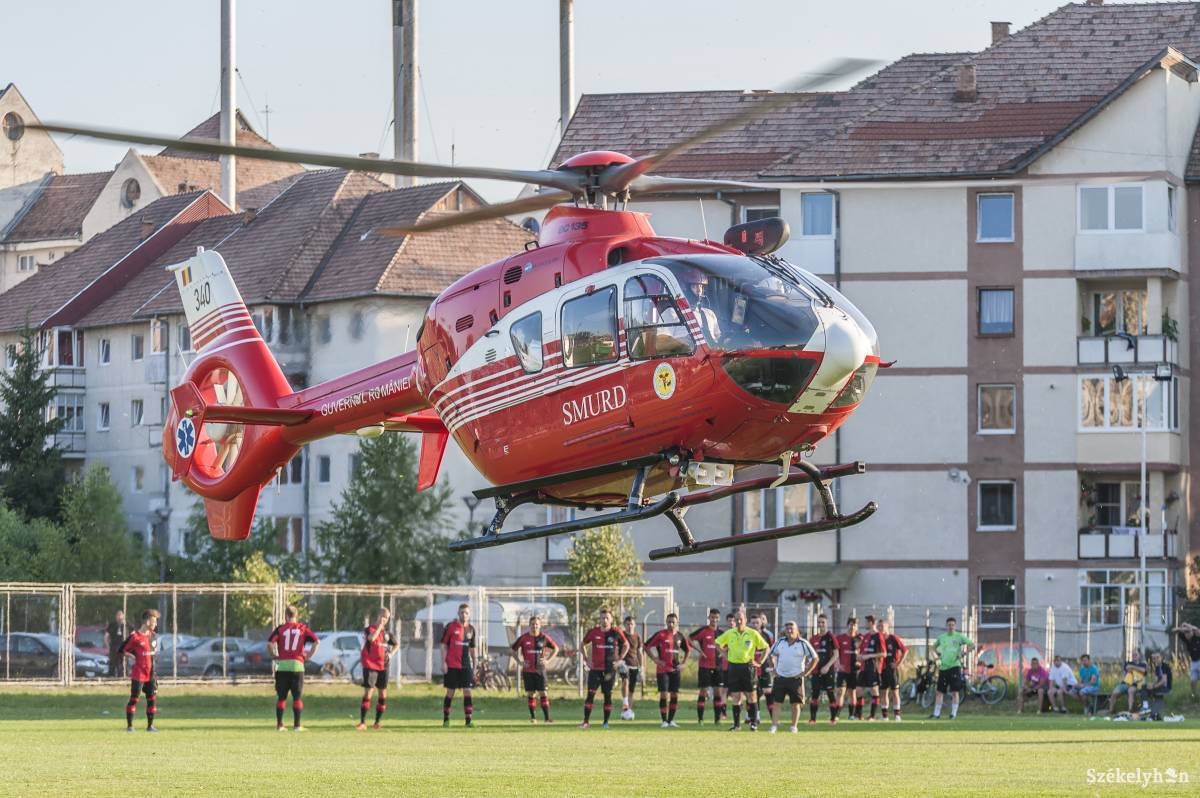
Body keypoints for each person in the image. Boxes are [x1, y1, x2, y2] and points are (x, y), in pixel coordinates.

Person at [267, 605, 320, 731]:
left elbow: (269, 643)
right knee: (297, 697)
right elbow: (317, 642)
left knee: (281, 697)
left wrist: (274, 655)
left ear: (286, 616)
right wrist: (308, 656)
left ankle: (280, 725)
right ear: (296, 615)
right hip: (297, 666)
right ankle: (297, 725)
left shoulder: (280, 629)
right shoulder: (302, 628)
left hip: (283, 666)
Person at [716, 609, 769, 731]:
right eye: (737, 619)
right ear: (734, 621)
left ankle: (754, 722)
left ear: (745, 620)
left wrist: (759, 662)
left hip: (748, 668)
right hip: (734, 667)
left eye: (741, 619)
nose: (739, 621)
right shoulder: (730, 633)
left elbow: (766, 647)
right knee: (736, 697)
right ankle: (736, 725)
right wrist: (724, 654)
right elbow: (717, 643)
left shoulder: (753, 633)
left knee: (752, 696)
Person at [579, 607, 629, 729]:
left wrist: (620, 660)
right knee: (590, 694)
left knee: (607, 695)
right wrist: (586, 659)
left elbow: (626, 645)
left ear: (611, 619)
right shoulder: (593, 632)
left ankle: (605, 723)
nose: (605, 620)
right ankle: (586, 722)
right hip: (595, 670)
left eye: (607, 618)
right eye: (603, 618)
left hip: (609, 671)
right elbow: (582, 644)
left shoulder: (616, 632)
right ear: (600, 619)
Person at [767, 621, 818, 733]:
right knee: (776, 703)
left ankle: (793, 726)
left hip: (796, 679)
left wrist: (806, 672)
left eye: (792, 628)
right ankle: (774, 726)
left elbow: (815, 658)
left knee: (795, 704)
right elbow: (770, 655)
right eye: (787, 628)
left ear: (797, 630)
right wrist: (773, 669)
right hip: (780, 678)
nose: (789, 630)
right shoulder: (780, 642)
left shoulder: (803, 643)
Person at [644, 613, 691, 728]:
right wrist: (655, 659)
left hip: (675, 669)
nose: (671, 624)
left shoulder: (680, 636)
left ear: (677, 623)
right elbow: (646, 646)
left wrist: (683, 663)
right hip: (663, 670)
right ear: (666, 622)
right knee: (664, 694)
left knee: (674, 694)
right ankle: (664, 720)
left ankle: (671, 720)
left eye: (673, 622)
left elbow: (688, 650)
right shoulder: (661, 634)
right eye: (669, 621)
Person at [511, 616, 559, 723]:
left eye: (537, 624)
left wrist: (548, 660)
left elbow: (556, 648)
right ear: (529, 625)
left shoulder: (544, 637)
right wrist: (520, 662)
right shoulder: (524, 638)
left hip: (540, 670)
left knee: (543, 693)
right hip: (528, 671)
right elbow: (512, 650)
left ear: (540, 625)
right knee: (531, 694)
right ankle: (533, 718)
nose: (535, 626)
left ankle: (547, 718)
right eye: (533, 624)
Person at [119, 609, 159, 732]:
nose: (155, 624)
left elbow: (152, 653)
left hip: (151, 674)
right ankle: (130, 726)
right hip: (139, 674)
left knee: (151, 699)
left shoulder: (153, 636)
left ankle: (150, 726)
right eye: (154, 621)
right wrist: (133, 656)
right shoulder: (135, 636)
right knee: (134, 699)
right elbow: (122, 650)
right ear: (147, 621)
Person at [357, 607, 398, 730]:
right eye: (383, 617)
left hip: (384, 666)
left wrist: (391, 654)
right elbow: (371, 638)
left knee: (383, 693)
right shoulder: (369, 629)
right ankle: (363, 722)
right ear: (379, 616)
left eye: (387, 618)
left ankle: (377, 722)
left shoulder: (387, 634)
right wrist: (379, 627)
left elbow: (397, 644)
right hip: (370, 665)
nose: (385, 620)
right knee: (368, 692)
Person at [440, 603, 477, 727]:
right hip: (451, 665)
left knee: (468, 691)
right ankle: (446, 719)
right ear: (458, 613)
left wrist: (475, 665)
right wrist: (443, 662)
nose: (464, 614)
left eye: (466, 612)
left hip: (466, 666)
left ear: (469, 614)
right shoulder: (450, 627)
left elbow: (472, 649)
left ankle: (468, 721)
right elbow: (443, 645)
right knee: (450, 692)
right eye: (462, 612)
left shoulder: (471, 629)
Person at [929, 616, 973, 720]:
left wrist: (964, 653)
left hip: (954, 666)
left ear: (955, 626)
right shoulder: (942, 637)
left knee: (954, 691)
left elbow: (972, 645)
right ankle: (936, 714)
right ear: (946, 626)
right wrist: (936, 657)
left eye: (953, 625)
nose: (951, 627)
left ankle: (953, 714)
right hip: (943, 667)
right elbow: (932, 647)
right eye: (949, 625)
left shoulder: (959, 636)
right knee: (939, 692)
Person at [689, 608, 726, 724]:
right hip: (704, 666)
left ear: (719, 619)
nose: (714, 619)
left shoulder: (722, 633)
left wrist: (723, 652)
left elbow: (731, 643)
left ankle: (717, 719)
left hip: (718, 667)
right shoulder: (703, 631)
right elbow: (689, 639)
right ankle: (700, 719)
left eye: (716, 618)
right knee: (703, 692)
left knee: (718, 693)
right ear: (709, 618)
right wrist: (699, 651)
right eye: (712, 617)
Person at [808, 613, 840, 725]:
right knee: (814, 695)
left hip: (828, 671)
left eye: (823, 622)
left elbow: (836, 654)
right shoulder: (813, 638)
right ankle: (812, 719)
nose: (821, 624)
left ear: (827, 624)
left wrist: (827, 666)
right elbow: (810, 655)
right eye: (819, 622)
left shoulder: (831, 637)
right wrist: (809, 668)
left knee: (831, 694)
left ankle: (833, 719)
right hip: (816, 671)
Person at [878, 619, 907, 721]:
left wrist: (898, 663)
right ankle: (885, 716)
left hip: (892, 670)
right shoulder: (878, 639)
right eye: (879, 626)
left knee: (895, 692)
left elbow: (905, 651)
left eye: (882, 626)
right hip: (882, 670)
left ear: (887, 627)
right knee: (883, 692)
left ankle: (897, 715)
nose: (880, 628)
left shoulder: (893, 638)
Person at [857, 620, 885, 720]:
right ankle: (859, 715)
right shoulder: (866, 636)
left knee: (874, 691)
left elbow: (883, 654)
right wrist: (859, 657)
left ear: (871, 623)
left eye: (866, 622)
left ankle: (872, 716)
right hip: (863, 668)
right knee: (859, 690)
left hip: (873, 668)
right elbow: (861, 652)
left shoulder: (879, 636)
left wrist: (870, 656)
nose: (864, 624)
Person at [750, 612, 775, 722]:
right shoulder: (748, 634)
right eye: (753, 623)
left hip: (764, 666)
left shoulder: (767, 635)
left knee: (768, 692)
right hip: (752, 667)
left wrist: (772, 663)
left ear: (761, 623)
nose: (755, 625)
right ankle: (756, 717)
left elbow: (772, 650)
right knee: (754, 692)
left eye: (757, 622)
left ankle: (773, 718)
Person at [835, 617, 862, 720]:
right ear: (847, 625)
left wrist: (861, 662)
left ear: (857, 626)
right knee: (840, 691)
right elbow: (835, 653)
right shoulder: (841, 638)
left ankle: (851, 715)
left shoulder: (860, 639)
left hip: (854, 670)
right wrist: (837, 663)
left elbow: (864, 653)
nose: (852, 626)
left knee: (852, 692)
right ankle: (837, 715)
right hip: (843, 670)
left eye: (855, 624)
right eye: (851, 624)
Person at [1106, 650, 1147, 716]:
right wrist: (1137, 669)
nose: (1134, 656)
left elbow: (1143, 670)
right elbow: (1128, 668)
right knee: (1115, 692)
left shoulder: (1143, 664)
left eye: (1136, 655)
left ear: (1139, 656)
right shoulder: (1128, 663)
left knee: (1131, 691)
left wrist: (1133, 667)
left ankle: (1130, 710)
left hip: (1135, 684)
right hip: (1125, 683)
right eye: (1133, 655)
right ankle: (1111, 710)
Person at [620, 615, 643, 721]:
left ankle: (627, 711)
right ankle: (625, 704)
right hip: (624, 664)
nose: (630, 626)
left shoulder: (637, 637)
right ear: (624, 625)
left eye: (631, 624)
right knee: (625, 681)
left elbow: (639, 652)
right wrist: (619, 661)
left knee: (632, 690)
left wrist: (641, 667)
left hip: (634, 665)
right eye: (628, 624)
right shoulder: (621, 635)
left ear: (635, 625)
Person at [1173, 622, 1200, 700]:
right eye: (1185, 633)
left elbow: (1197, 629)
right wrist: (1182, 628)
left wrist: (1188, 626)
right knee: (1192, 680)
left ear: (1192, 632)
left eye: (1188, 632)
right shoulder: (1185, 638)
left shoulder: (1197, 636)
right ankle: (1194, 695)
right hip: (1194, 662)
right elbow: (1174, 630)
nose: (1187, 634)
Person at [1143, 650, 1173, 719]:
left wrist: (1154, 686)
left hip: (1166, 687)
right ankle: (1146, 707)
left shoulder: (1164, 666)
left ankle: (1151, 711)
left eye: (1157, 657)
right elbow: (1157, 680)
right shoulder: (1157, 667)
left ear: (1161, 657)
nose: (1155, 659)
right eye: (1154, 658)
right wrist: (1151, 684)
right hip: (1160, 686)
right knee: (1144, 687)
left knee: (1154, 693)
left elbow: (1164, 680)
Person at [105, 610, 127, 678]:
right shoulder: (112, 625)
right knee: (112, 662)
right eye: (118, 615)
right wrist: (108, 646)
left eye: (121, 615)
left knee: (122, 663)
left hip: (123, 647)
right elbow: (106, 636)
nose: (119, 617)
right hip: (114, 646)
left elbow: (132, 635)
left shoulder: (126, 625)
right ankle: (111, 676)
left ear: (123, 616)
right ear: (116, 616)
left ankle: (122, 676)